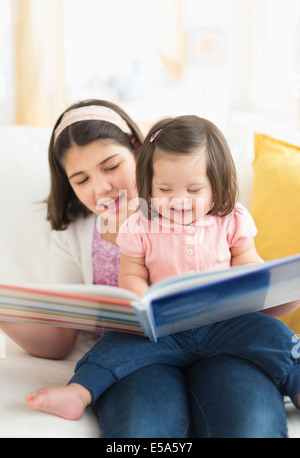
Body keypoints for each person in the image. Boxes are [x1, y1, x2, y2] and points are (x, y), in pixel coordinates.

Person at [25, 110, 299, 437]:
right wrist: (140, 301)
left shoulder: (231, 218)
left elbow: (248, 262)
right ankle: (78, 392)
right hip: (161, 333)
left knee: (273, 335)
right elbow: (132, 272)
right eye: (165, 190)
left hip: (224, 327)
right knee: (115, 346)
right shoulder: (139, 226)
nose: (178, 201)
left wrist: (256, 290)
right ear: (150, 182)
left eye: (194, 190)